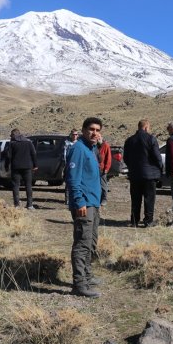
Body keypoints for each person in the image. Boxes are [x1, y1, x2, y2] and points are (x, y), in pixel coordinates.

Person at [66, 117, 103, 298]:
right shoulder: (78, 149)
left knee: (90, 242)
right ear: (83, 130)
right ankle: (79, 284)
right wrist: (79, 201)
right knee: (82, 243)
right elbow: (73, 178)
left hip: (93, 202)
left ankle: (87, 275)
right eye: (91, 129)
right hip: (84, 203)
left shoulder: (91, 149)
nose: (94, 132)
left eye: (97, 130)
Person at [123, 119, 163, 227]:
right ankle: (148, 221)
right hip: (150, 175)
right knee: (149, 198)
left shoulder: (129, 140)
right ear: (146, 127)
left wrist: (132, 167)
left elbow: (125, 158)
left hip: (135, 174)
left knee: (135, 198)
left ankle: (134, 220)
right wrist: (160, 168)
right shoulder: (151, 139)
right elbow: (157, 157)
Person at [6, 129, 37, 209]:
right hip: (27, 167)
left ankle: (16, 205)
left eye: (11, 135)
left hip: (16, 167)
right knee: (28, 186)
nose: (10, 137)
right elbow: (33, 153)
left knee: (16, 186)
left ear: (14, 135)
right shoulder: (28, 142)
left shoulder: (12, 144)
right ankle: (30, 205)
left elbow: (8, 156)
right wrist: (35, 165)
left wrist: (7, 166)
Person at [64, 129, 80, 205]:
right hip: (69, 165)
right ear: (71, 135)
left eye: (76, 134)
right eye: (73, 134)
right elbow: (64, 155)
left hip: (78, 165)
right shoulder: (67, 144)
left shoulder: (79, 144)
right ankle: (67, 199)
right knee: (68, 182)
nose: (75, 136)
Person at [96, 133, 112, 206]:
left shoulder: (106, 145)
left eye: (99, 137)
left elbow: (108, 158)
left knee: (103, 185)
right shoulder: (94, 146)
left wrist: (106, 168)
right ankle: (97, 199)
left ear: (101, 137)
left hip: (102, 169)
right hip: (95, 169)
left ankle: (104, 199)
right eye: (96, 137)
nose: (97, 138)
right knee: (96, 185)